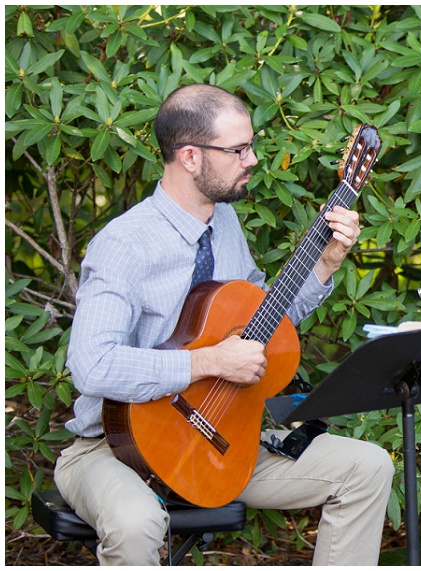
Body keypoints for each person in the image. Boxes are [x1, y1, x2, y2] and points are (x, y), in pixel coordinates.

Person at [54, 84, 394, 566]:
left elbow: (264, 324)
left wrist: (327, 264)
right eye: (238, 150)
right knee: (137, 522)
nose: (252, 159)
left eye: (250, 145)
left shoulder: (226, 224)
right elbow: (91, 366)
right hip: (110, 447)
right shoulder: (124, 245)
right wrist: (211, 360)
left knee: (367, 466)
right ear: (190, 157)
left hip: (219, 440)